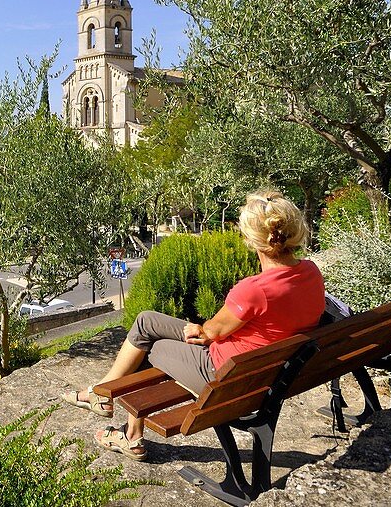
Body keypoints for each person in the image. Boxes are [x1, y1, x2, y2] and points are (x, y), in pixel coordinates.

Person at [62, 189, 325, 461]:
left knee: (147, 342)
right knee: (146, 321)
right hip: (269, 376)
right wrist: (205, 331)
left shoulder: (255, 290)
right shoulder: (310, 273)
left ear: (251, 239)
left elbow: (212, 332)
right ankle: (102, 395)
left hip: (222, 377)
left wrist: (202, 330)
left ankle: (122, 425)